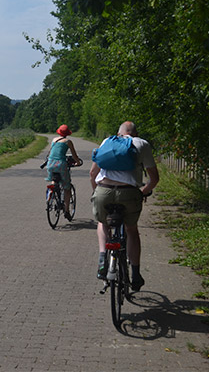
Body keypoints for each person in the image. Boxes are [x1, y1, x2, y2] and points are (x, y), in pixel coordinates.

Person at [90, 121, 159, 291]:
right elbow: (154, 178)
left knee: (103, 223)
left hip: (103, 191)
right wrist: (142, 192)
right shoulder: (142, 144)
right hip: (129, 193)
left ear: (119, 133)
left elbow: (93, 173)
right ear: (135, 133)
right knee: (131, 230)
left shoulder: (107, 142)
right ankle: (135, 274)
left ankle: (102, 260)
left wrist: (96, 192)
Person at [45, 124, 82, 221]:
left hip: (50, 163)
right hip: (61, 164)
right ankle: (66, 211)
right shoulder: (68, 141)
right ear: (67, 133)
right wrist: (78, 162)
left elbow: (51, 152)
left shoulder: (54, 140)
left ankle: (50, 195)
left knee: (54, 181)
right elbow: (74, 155)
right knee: (66, 187)